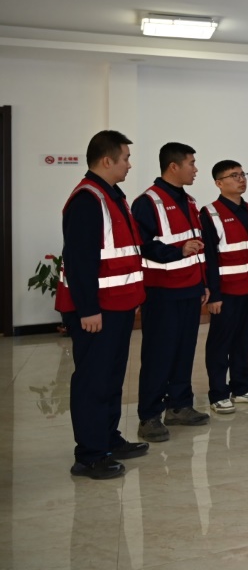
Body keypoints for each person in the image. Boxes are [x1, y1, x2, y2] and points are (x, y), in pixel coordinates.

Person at [57, 130, 150, 478]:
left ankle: (109, 439)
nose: (129, 164)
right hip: (97, 310)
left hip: (118, 305)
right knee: (93, 381)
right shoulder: (88, 199)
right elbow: (79, 261)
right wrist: (88, 310)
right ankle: (90, 455)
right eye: (125, 158)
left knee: (111, 378)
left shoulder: (113, 196)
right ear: (107, 160)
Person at [133, 142, 210, 442]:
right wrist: (177, 251)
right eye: (191, 163)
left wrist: (202, 282)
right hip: (162, 291)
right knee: (158, 353)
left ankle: (179, 406)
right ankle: (149, 416)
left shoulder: (189, 201)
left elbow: (197, 246)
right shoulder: (147, 202)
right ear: (173, 166)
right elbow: (141, 245)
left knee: (184, 350)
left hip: (190, 288)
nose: (196, 169)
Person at [200, 161, 248, 414]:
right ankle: (218, 393)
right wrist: (214, 295)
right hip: (226, 292)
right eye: (234, 175)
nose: (241, 179)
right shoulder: (210, 213)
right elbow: (209, 257)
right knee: (220, 343)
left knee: (243, 340)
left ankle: (241, 388)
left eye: (242, 174)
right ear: (219, 183)